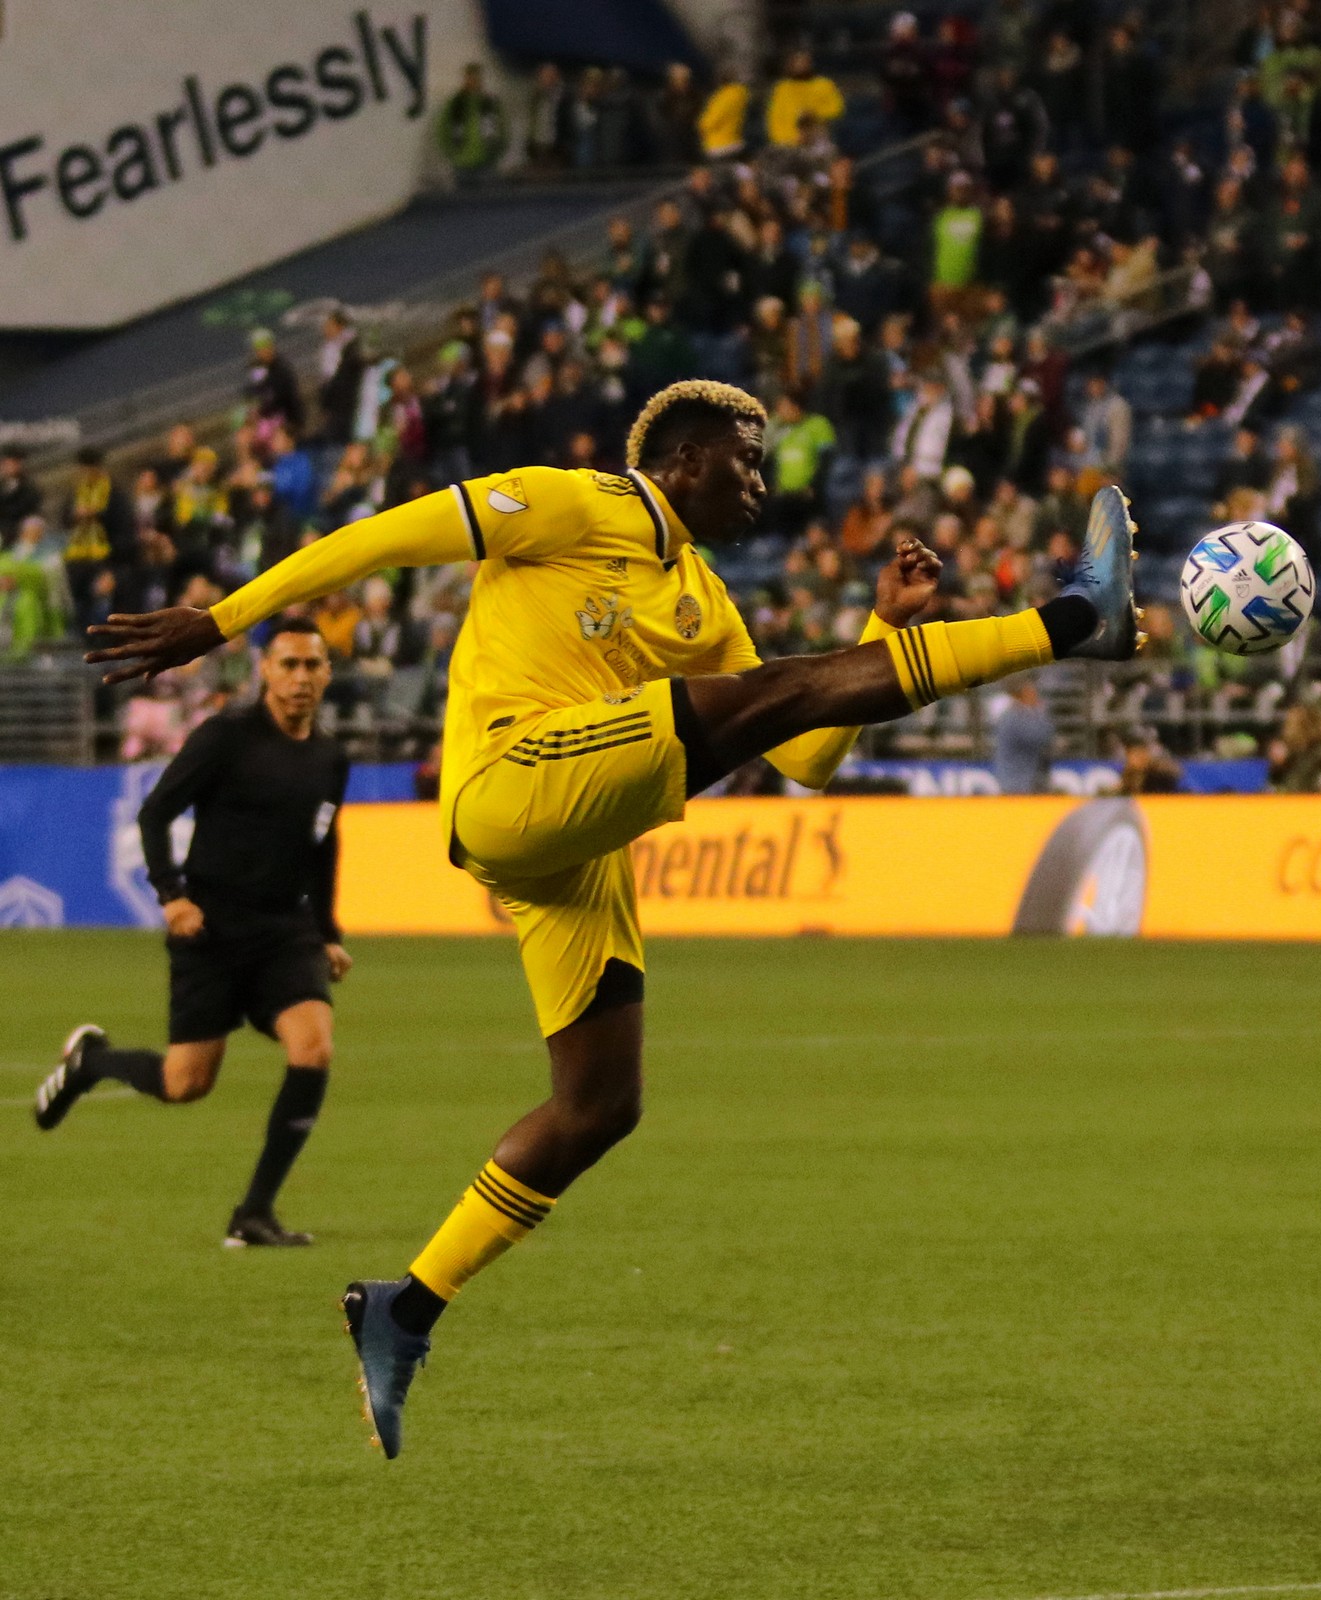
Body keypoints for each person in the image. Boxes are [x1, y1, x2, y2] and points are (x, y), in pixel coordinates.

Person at [85, 379, 1140, 1458]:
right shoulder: (566, 502)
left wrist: (880, 631)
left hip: (573, 841)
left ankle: (404, 1308)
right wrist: (219, 620)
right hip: (508, 781)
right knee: (765, 689)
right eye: (746, 461)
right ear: (683, 461)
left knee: (597, 1105)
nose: (762, 483)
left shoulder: (702, 596)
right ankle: (1074, 619)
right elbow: (376, 540)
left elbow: (807, 756)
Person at [34, 621, 352, 1249]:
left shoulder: (330, 758)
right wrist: (173, 896)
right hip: (210, 927)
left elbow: (323, 845)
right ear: (264, 669)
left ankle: (254, 1213)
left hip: (283, 931)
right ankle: (91, 1062)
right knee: (186, 1084)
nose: (300, 679)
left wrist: (327, 931)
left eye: (312, 667)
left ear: (327, 674)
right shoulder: (227, 737)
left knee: (313, 1047)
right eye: (289, 665)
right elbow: (156, 813)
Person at [992, 678, 1054, 793]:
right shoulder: (1014, 717)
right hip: (1017, 782)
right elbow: (1041, 737)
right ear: (1023, 695)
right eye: (1032, 693)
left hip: (1019, 780)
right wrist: (1040, 712)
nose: (1036, 697)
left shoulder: (1014, 715)